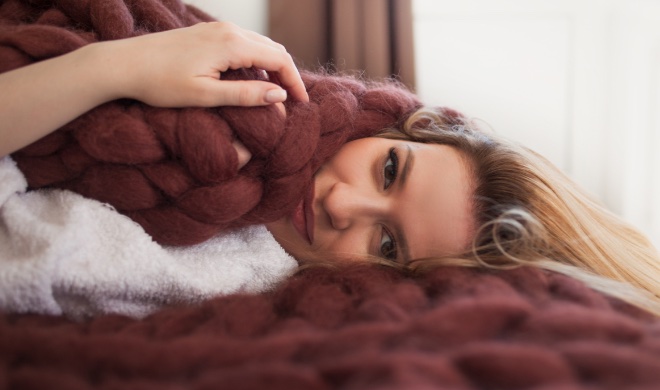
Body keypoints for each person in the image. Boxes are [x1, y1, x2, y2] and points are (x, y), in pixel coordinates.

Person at [1, 22, 659, 316]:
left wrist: (105, 73)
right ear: (395, 130)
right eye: (390, 171)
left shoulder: (234, 281)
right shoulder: (237, 77)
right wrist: (127, 63)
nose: (345, 206)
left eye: (387, 243)